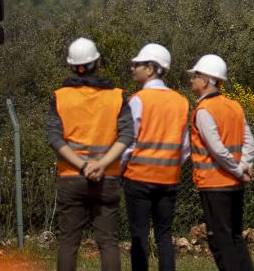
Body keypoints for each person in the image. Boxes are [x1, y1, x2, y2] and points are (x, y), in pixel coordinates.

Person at [47, 37, 134, 271]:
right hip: (107, 177)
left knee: (68, 243)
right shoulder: (116, 96)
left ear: (71, 66)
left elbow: (55, 138)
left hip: (71, 177)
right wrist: (101, 165)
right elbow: (127, 135)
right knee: (108, 243)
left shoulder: (60, 97)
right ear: (97, 62)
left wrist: (83, 166)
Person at [122, 43, 190, 271]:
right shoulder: (181, 102)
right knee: (164, 235)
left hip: (138, 177)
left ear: (151, 69)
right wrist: (170, 166)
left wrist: (120, 169)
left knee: (139, 235)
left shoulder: (138, 100)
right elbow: (185, 146)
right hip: (168, 179)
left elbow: (128, 143)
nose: (133, 68)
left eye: (138, 64)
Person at [189, 54, 254, 271]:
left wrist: (238, 170)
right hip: (235, 185)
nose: (192, 80)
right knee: (235, 237)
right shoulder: (234, 106)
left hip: (215, 184)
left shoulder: (204, 111)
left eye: (195, 76)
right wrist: (244, 166)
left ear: (206, 80)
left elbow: (216, 149)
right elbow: (249, 141)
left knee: (220, 241)